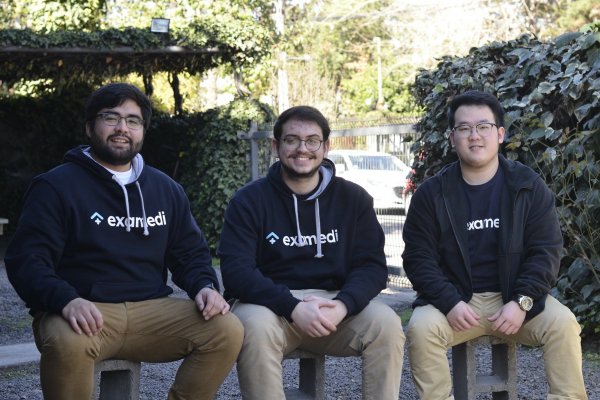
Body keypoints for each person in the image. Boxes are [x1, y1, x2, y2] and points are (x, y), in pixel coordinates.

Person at [4, 83, 243, 400]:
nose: (122, 128)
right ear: (90, 127)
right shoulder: (55, 186)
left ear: (143, 131)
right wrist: (65, 299)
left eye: (133, 120)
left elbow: (189, 253)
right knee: (68, 340)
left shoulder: (165, 189)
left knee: (227, 330)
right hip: (81, 310)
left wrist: (205, 287)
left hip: (151, 310)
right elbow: (27, 260)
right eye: (111, 118)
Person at [402, 90, 587, 399]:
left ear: (500, 134)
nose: (475, 136)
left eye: (484, 126)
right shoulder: (432, 194)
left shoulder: (527, 186)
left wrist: (522, 301)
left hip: (516, 301)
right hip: (458, 303)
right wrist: (449, 301)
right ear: (452, 137)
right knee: (421, 329)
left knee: (564, 324)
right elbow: (419, 259)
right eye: (464, 128)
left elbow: (546, 251)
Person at [218, 105, 405, 399]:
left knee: (387, 324)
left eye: (312, 140)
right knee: (251, 326)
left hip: (335, 308)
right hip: (270, 307)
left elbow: (372, 267)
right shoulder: (248, 201)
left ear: (326, 147)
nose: (302, 149)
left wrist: (344, 304)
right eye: (292, 140)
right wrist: (292, 307)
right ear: (276, 146)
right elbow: (236, 272)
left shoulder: (353, 198)